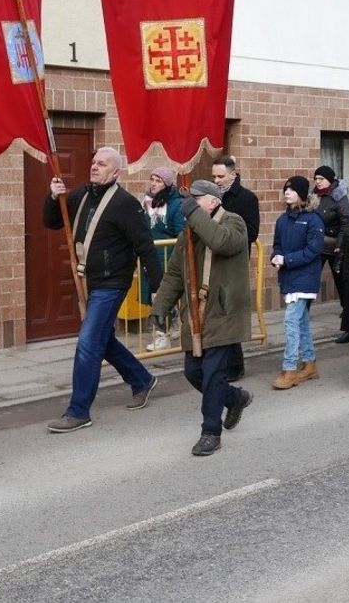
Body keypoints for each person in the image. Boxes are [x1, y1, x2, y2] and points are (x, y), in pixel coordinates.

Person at [44, 147, 163, 433]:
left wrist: (158, 287)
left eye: (102, 164)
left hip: (112, 283)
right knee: (102, 340)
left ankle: (78, 411)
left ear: (116, 172)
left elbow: (145, 245)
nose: (95, 167)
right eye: (94, 162)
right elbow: (52, 221)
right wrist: (52, 197)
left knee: (87, 343)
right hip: (86, 281)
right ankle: (142, 379)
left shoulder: (125, 203)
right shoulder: (80, 196)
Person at [150, 179, 255, 456]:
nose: (190, 207)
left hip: (223, 312)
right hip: (195, 314)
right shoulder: (190, 230)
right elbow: (174, 272)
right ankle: (235, 398)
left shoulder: (234, 222)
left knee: (212, 374)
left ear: (213, 201)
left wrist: (193, 215)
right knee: (193, 371)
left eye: (196, 200)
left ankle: (211, 432)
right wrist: (160, 306)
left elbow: (221, 242)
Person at [270, 176, 325, 390]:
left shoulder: (313, 220)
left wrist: (288, 260)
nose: (287, 193)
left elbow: (313, 250)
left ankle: (290, 368)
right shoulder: (282, 220)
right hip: (288, 277)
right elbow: (277, 244)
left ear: (302, 194)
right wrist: (276, 256)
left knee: (290, 321)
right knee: (300, 322)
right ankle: (309, 364)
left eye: (291, 190)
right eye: (285, 189)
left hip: (305, 277)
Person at [212, 155, 261, 381]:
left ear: (233, 174)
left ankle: (235, 366)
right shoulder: (210, 198)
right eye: (214, 176)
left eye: (221, 176)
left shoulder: (246, 198)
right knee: (217, 312)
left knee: (231, 312)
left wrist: (224, 237)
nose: (217, 180)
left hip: (235, 264)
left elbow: (252, 233)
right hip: (212, 261)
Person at [142, 166, 185, 350]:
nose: (153, 183)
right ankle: (172, 322)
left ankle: (162, 334)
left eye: (158, 180)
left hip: (169, 257)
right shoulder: (147, 203)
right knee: (154, 295)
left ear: (167, 184)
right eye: (152, 179)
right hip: (151, 257)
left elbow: (180, 233)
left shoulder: (176, 204)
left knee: (162, 296)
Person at [313, 165, 349, 344]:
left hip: (335, 245)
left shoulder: (339, 196)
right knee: (310, 278)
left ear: (330, 180)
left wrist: (340, 246)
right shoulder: (313, 195)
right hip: (317, 244)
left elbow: (346, 223)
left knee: (343, 284)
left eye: (321, 179)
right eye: (316, 179)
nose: (317, 182)